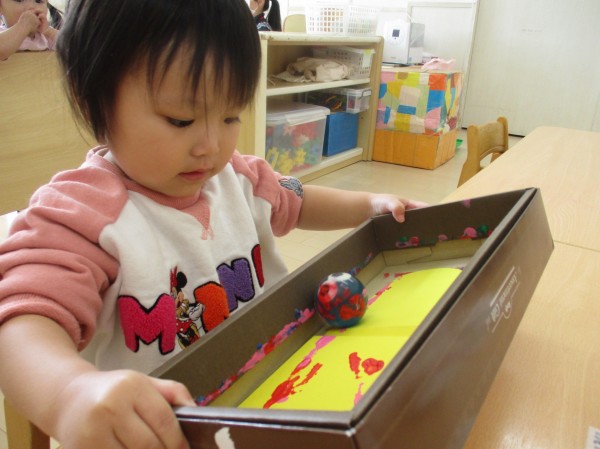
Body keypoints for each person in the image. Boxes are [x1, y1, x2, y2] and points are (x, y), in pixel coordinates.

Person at [0, 0, 425, 448]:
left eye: (229, 116)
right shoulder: (83, 213)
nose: (211, 145)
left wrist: (368, 205)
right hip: (166, 434)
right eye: (180, 120)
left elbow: (298, 202)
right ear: (93, 104)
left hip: (272, 395)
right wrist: (69, 392)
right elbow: (20, 321)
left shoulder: (237, 177)